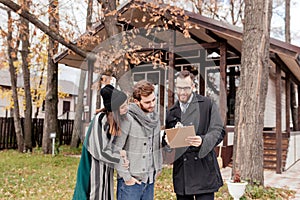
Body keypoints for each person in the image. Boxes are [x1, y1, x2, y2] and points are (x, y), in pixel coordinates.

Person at [163, 70, 225, 200]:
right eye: (179, 88)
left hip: (204, 169)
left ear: (193, 87)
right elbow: (168, 143)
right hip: (183, 173)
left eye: (186, 88)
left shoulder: (207, 104)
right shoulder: (171, 112)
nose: (182, 92)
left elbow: (219, 130)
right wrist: (167, 143)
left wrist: (203, 140)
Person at [73, 84, 129, 200]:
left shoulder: (114, 121)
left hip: (106, 170)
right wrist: (120, 157)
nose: (127, 108)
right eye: (123, 106)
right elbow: (101, 152)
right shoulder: (100, 120)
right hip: (94, 170)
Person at [114, 80, 163, 200]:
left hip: (149, 181)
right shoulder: (127, 118)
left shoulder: (155, 120)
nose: (152, 104)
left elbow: (156, 146)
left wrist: (158, 167)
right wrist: (127, 178)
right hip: (131, 184)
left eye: (153, 100)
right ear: (136, 101)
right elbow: (116, 149)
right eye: (147, 102)